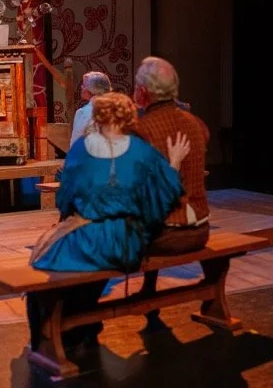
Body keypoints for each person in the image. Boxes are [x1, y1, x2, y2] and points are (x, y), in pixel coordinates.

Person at [26, 92, 188, 354]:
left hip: (89, 236)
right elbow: (164, 197)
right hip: (127, 239)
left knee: (47, 262)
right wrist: (175, 163)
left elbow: (65, 199)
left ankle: (63, 332)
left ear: (98, 117)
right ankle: (82, 328)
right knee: (84, 273)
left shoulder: (82, 148)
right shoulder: (141, 150)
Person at [129, 56, 212, 328]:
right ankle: (149, 288)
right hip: (200, 230)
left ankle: (82, 318)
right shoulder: (196, 124)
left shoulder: (141, 130)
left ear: (143, 91)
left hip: (164, 237)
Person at [69, 71, 112, 147]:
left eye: (84, 85)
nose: (81, 87)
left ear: (92, 89)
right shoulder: (118, 110)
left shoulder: (82, 113)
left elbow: (75, 144)